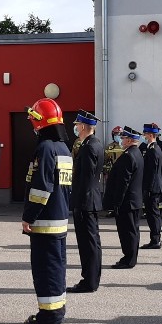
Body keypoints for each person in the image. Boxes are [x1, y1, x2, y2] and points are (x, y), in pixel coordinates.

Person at [20, 98, 72, 324]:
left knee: (45, 270)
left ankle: (49, 318)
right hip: (59, 220)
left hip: (45, 222)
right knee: (56, 267)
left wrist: (29, 216)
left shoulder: (45, 148)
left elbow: (41, 188)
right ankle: (57, 310)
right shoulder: (63, 148)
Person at [67, 111, 103, 294]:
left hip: (85, 201)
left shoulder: (88, 146)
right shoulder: (94, 143)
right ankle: (92, 279)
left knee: (88, 243)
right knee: (92, 242)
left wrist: (78, 200)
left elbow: (86, 178)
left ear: (82, 126)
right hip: (89, 200)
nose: (75, 128)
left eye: (76, 125)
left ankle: (89, 281)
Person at [103, 126, 144, 269]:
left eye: (124, 138)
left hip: (127, 202)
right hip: (134, 200)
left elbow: (123, 182)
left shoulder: (128, 156)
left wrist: (117, 202)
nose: (122, 140)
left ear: (130, 140)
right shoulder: (136, 153)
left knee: (127, 232)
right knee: (133, 231)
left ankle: (128, 259)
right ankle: (131, 257)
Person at [140, 123, 162, 249]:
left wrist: (148, 188)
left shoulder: (153, 149)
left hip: (152, 187)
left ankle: (155, 240)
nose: (144, 136)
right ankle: (155, 239)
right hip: (152, 186)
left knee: (153, 214)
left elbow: (152, 172)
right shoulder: (152, 148)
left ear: (150, 135)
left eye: (145, 134)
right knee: (152, 214)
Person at [103, 126, 124, 217]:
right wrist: (106, 172)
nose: (117, 136)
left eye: (119, 134)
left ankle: (121, 208)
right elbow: (105, 160)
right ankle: (112, 210)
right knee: (111, 191)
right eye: (116, 134)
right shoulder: (109, 147)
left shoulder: (125, 146)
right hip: (111, 173)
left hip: (123, 173)